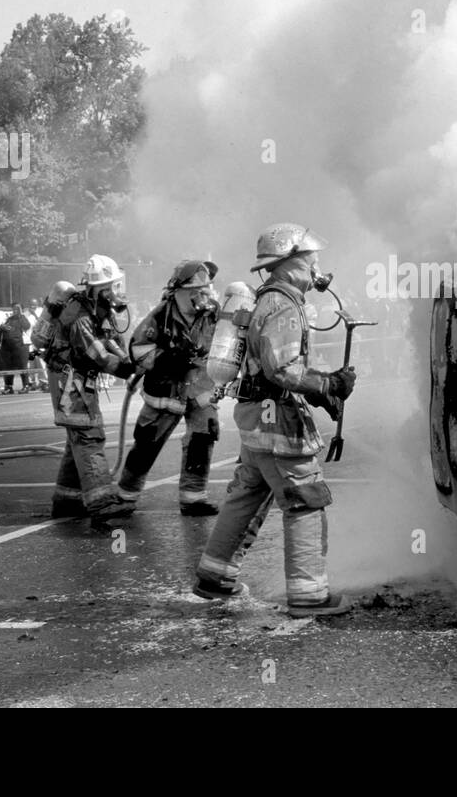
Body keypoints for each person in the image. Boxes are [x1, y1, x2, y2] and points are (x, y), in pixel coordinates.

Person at [193, 223, 356, 617]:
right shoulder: (282, 304)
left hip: (257, 420)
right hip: (278, 424)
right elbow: (281, 370)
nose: (316, 264)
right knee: (305, 499)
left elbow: (275, 368)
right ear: (288, 262)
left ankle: (214, 577)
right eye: (310, 258)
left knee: (247, 493)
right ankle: (309, 595)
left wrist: (321, 395)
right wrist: (327, 384)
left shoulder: (272, 299)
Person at [116, 258, 222, 516]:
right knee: (147, 443)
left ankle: (193, 498)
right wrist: (169, 358)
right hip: (166, 391)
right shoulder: (161, 315)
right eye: (195, 290)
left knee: (202, 438)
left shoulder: (212, 312)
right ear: (179, 291)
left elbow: (224, 343)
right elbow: (138, 349)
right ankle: (125, 496)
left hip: (199, 388)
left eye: (205, 288)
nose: (202, 295)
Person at [45, 254, 135, 521]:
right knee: (88, 436)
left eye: (116, 285)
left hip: (77, 380)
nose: (116, 291)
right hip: (69, 382)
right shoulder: (80, 315)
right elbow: (98, 355)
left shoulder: (97, 310)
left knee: (77, 439)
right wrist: (127, 369)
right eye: (111, 286)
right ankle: (102, 502)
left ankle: (67, 501)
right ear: (98, 288)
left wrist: (128, 358)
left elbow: (108, 339)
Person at [0, 303, 31, 393]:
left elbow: (27, 326)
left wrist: (21, 315)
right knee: (7, 367)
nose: (15, 311)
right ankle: (8, 387)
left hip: (21, 347)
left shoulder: (23, 318)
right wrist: (1, 328)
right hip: (7, 348)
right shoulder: (9, 319)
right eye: (14, 309)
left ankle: (26, 386)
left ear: (21, 310)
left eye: (17, 309)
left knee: (22, 366)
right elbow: (0, 329)